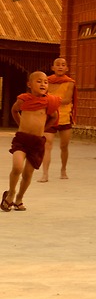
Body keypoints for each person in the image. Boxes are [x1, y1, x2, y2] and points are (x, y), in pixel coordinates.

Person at [1, 71, 61, 212]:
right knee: (17, 167)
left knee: (28, 174)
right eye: (39, 81)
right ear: (29, 84)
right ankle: (11, 193)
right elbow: (14, 110)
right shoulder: (24, 99)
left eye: (45, 82)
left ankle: (19, 198)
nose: (43, 84)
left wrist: (42, 129)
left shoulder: (49, 101)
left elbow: (53, 117)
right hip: (22, 139)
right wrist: (20, 123)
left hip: (37, 142)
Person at [37, 58, 76, 182]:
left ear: (66, 68)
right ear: (53, 67)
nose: (60, 67)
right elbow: (41, 95)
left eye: (63, 65)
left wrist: (51, 99)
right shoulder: (47, 81)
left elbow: (67, 100)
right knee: (47, 145)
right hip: (50, 116)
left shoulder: (70, 82)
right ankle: (45, 174)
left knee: (64, 146)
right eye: (57, 65)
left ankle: (63, 169)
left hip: (64, 117)